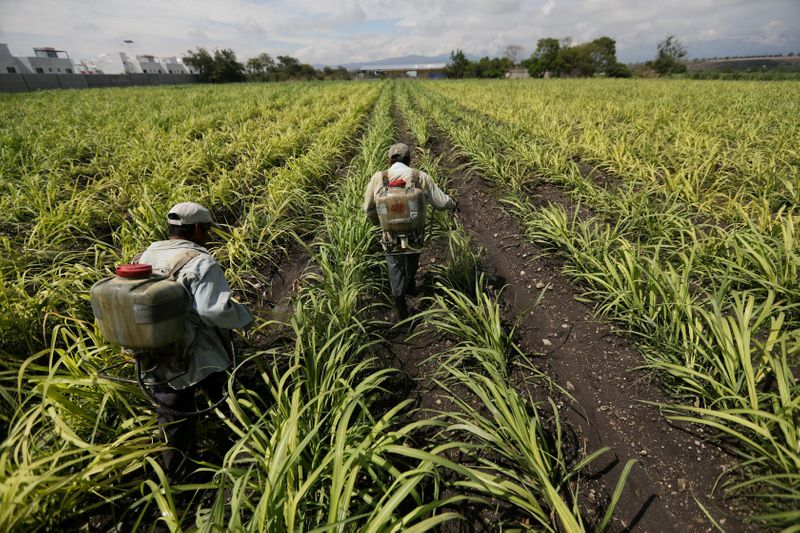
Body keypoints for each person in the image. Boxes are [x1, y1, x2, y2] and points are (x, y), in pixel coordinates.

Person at [137, 201, 253, 479]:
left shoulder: (149, 253)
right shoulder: (200, 261)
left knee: (171, 413)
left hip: (153, 348)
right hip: (195, 352)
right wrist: (246, 317)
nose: (209, 236)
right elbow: (214, 309)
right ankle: (243, 443)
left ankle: (176, 473)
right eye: (208, 230)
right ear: (198, 229)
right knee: (224, 391)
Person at [363, 143, 456, 319]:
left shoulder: (378, 178)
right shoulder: (419, 176)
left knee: (394, 264)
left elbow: (368, 208)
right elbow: (442, 203)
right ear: (409, 160)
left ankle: (400, 304)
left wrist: (379, 223)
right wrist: (454, 204)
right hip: (415, 233)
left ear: (389, 160)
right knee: (413, 257)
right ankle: (411, 283)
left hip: (390, 234)